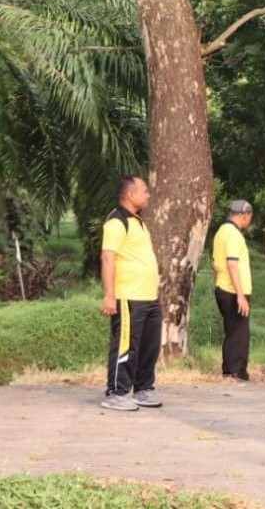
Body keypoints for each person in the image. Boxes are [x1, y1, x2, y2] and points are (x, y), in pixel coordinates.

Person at [99, 175, 163, 411]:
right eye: (144, 191)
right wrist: (109, 295)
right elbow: (108, 258)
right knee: (126, 345)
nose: (147, 195)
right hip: (128, 296)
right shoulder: (116, 221)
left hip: (149, 296)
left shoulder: (139, 222)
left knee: (149, 345)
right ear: (130, 194)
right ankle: (117, 391)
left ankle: (143, 388)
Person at [212, 200, 254, 381]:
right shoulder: (232, 234)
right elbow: (232, 264)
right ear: (244, 215)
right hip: (232, 291)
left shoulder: (222, 232)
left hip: (223, 287)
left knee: (232, 331)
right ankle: (237, 372)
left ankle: (229, 370)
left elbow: (215, 264)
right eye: (250, 217)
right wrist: (240, 295)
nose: (249, 221)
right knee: (239, 332)